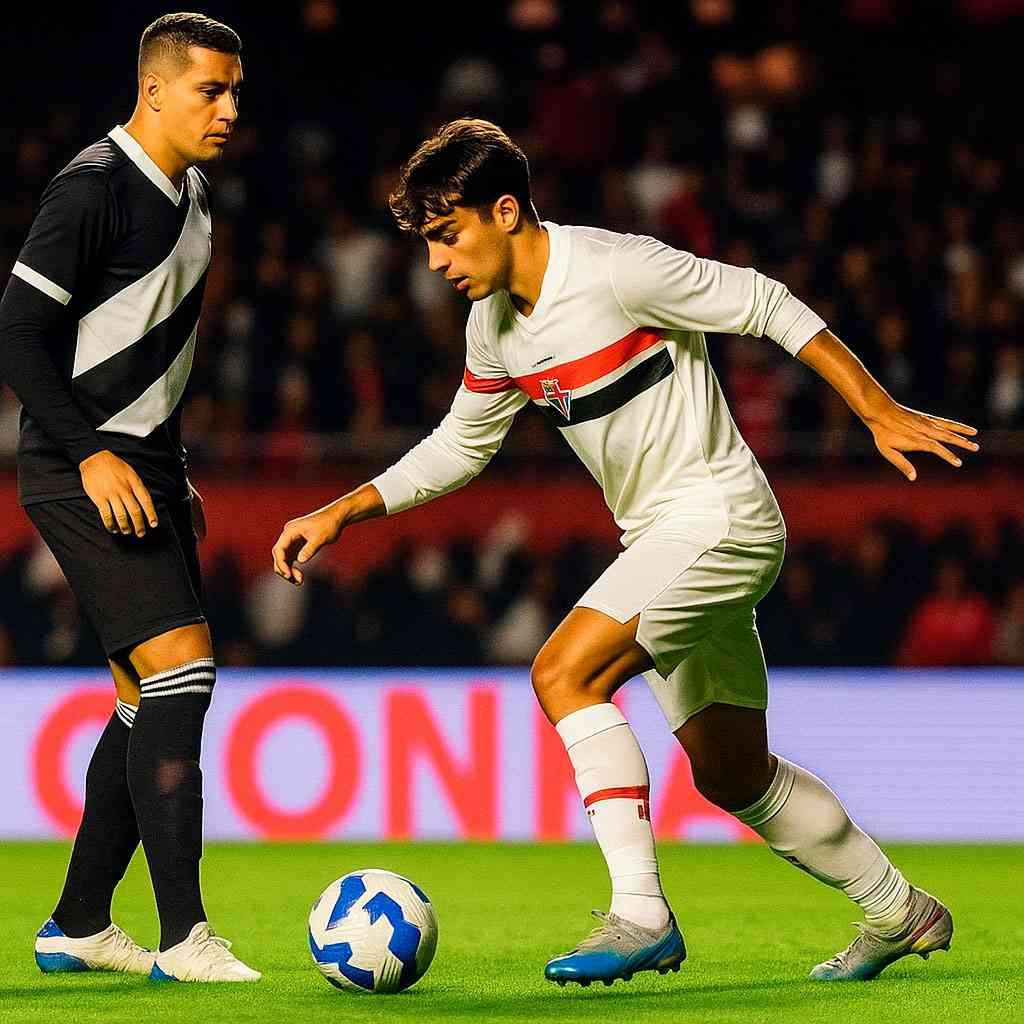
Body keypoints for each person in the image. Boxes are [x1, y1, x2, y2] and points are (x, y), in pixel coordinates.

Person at [272, 119, 978, 986]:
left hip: (719, 519)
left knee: (563, 674)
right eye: (427, 242)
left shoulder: (617, 269)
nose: (435, 262)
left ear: (505, 211)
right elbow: (461, 444)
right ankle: (898, 909)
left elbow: (765, 301)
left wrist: (875, 409)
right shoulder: (494, 329)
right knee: (734, 774)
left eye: (447, 235)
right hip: (665, 542)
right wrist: (346, 508)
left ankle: (640, 913)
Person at [0, 13, 258, 983]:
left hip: (146, 465)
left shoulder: (195, 197)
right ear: (153, 89)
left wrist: (167, 462)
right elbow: (17, 333)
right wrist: (92, 457)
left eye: (235, 92)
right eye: (209, 90)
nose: (228, 110)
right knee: (183, 670)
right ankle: (186, 937)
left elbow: (154, 350)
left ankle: (77, 923)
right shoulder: (93, 187)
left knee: (143, 698)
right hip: (79, 468)